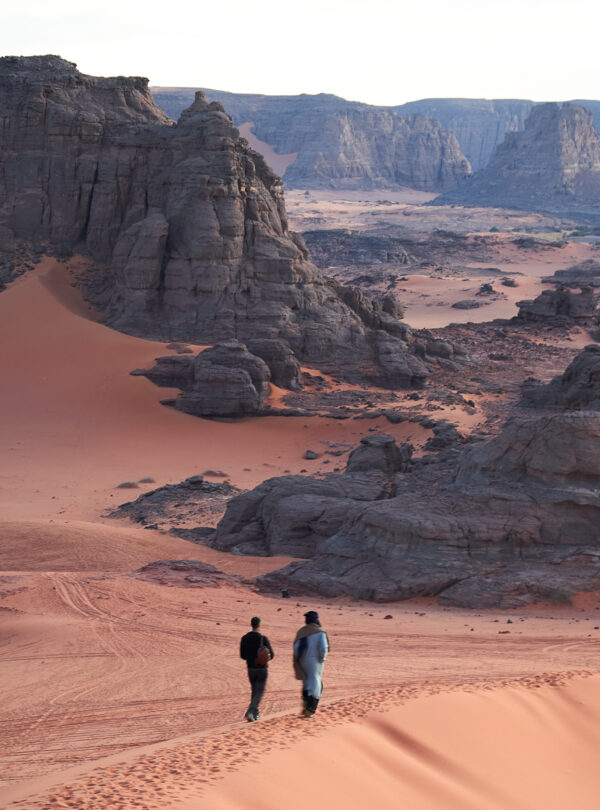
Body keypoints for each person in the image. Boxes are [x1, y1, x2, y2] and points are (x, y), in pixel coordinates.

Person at [293, 610, 329, 718]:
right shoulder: (320, 632)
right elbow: (324, 647)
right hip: (315, 661)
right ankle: (310, 710)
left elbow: (296, 648)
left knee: (306, 683)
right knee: (316, 684)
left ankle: (305, 706)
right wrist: (322, 658)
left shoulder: (301, 632)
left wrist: (298, 661)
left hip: (302, 661)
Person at [240, 616, 273, 722]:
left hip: (250, 669)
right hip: (261, 668)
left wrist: (250, 657)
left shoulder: (245, 638)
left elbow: (242, 655)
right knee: (259, 692)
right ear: (259, 625)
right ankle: (250, 712)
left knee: (255, 691)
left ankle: (255, 714)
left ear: (252, 625)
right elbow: (272, 655)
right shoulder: (263, 639)